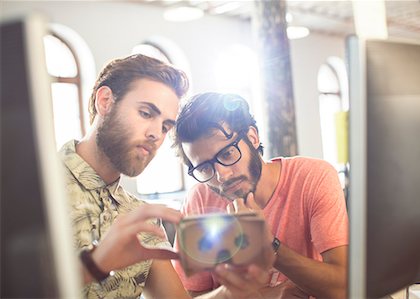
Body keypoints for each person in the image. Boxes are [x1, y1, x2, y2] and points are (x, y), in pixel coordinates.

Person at [61, 54, 269, 298]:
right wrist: (93, 266)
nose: (155, 135)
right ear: (105, 101)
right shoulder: (24, 189)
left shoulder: (142, 219)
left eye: (164, 126)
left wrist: (229, 292)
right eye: (146, 113)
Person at [172, 92, 349, 299]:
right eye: (204, 168)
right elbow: (191, 295)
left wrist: (270, 247)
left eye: (227, 154)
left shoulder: (312, 177)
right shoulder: (199, 201)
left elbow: (342, 288)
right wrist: (269, 295)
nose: (221, 175)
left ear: (252, 138)